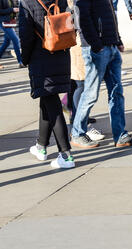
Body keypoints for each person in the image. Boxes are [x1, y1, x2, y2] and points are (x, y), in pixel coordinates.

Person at [71, 0, 132, 148]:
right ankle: (77, 133)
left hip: (111, 47)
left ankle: (120, 136)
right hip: (97, 49)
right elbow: (82, 19)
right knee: (91, 94)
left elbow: (111, 15)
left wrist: (118, 40)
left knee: (117, 92)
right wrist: (96, 45)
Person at [19, 0, 75, 169]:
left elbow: (26, 35)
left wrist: (25, 59)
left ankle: (65, 155)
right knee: (47, 99)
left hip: (40, 57)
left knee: (53, 105)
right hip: (61, 53)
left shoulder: (26, 2)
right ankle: (41, 146)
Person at [67, 0, 104, 141]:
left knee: (77, 85)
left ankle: (77, 118)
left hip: (75, 40)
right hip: (76, 41)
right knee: (81, 85)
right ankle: (81, 125)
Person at [0, 0, 24, 67]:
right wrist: (12, 9)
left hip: (10, 21)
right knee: (15, 40)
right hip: (3, 22)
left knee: (6, 42)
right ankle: (21, 62)